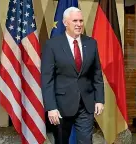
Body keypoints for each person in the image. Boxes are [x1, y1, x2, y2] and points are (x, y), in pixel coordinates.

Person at [41, 7, 104, 144]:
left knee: (86, 141)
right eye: (75, 20)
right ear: (65, 23)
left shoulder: (91, 43)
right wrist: (51, 107)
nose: (79, 24)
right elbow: (47, 79)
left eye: (81, 20)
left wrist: (99, 99)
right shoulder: (52, 45)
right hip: (61, 105)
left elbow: (97, 73)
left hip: (86, 104)